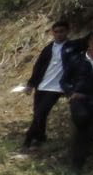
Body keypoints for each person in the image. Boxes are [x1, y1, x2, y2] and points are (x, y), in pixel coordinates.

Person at [23, 20, 76, 148]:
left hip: (57, 87)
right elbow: (39, 66)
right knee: (38, 114)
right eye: (56, 32)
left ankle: (27, 140)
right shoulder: (48, 48)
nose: (58, 34)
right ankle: (40, 138)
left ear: (67, 31)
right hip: (42, 85)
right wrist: (31, 84)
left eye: (61, 31)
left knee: (41, 112)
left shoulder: (73, 47)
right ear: (52, 33)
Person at [62, 31, 93, 173]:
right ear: (89, 43)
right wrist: (71, 92)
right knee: (82, 124)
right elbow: (64, 81)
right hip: (80, 100)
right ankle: (76, 167)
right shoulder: (77, 60)